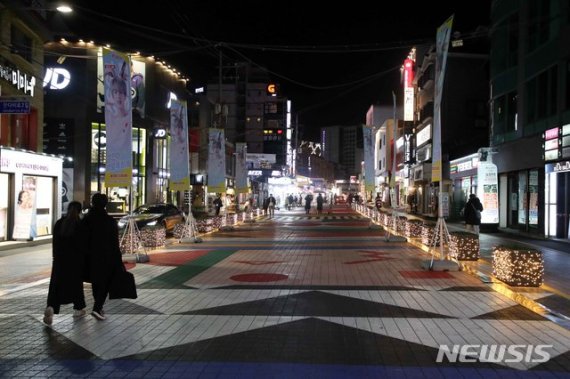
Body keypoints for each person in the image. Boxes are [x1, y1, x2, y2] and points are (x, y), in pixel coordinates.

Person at [43, 201, 87, 325]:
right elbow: (83, 245)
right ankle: (78, 308)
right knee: (76, 285)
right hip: (75, 262)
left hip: (59, 261)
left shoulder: (59, 223)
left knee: (56, 285)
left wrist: (55, 257)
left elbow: (55, 243)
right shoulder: (80, 225)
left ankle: (51, 306)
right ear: (80, 211)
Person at [82, 193, 123, 321]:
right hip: (106, 256)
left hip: (89, 256)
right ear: (105, 204)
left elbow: (81, 239)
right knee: (105, 282)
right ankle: (97, 307)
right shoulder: (109, 221)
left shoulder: (86, 220)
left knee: (95, 281)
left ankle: (98, 308)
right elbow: (114, 243)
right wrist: (118, 258)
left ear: (92, 203)